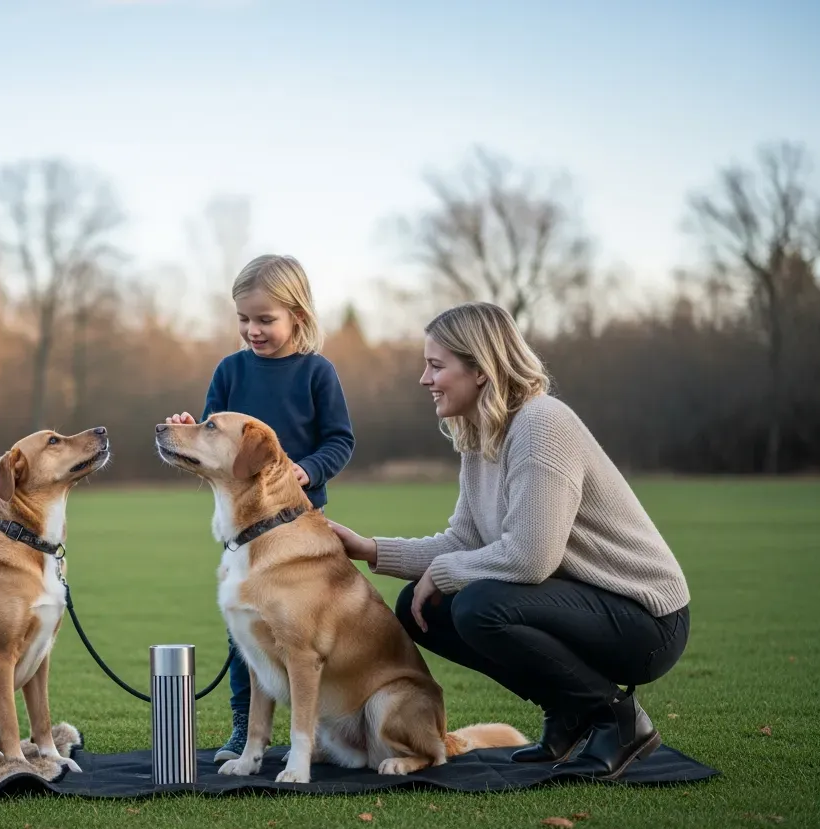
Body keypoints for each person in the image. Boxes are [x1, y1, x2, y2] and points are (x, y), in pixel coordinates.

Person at [328, 302, 691, 780]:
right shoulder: (482, 435)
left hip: (646, 619)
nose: (424, 379)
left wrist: (442, 572)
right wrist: (372, 549)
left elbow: (531, 557)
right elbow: (464, 539)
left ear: (480, 369)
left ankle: (616, 719)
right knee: (425, 612)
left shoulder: (542, 425)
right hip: (584, 606)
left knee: (479, 605)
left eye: (436, 366)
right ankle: (570, 713)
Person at [166, 253, 356, 762]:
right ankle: (243, 729)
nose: (253, 330)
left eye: (265, 319)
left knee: (299, 634)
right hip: (242, 527)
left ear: (298, 314)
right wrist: (192, 427)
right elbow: (213, 432)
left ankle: (322, 727)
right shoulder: (231, 369)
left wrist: (308, 469)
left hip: (296, 525)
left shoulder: (318, 372)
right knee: (243, 636)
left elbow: (340, 440)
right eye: (244, 319)